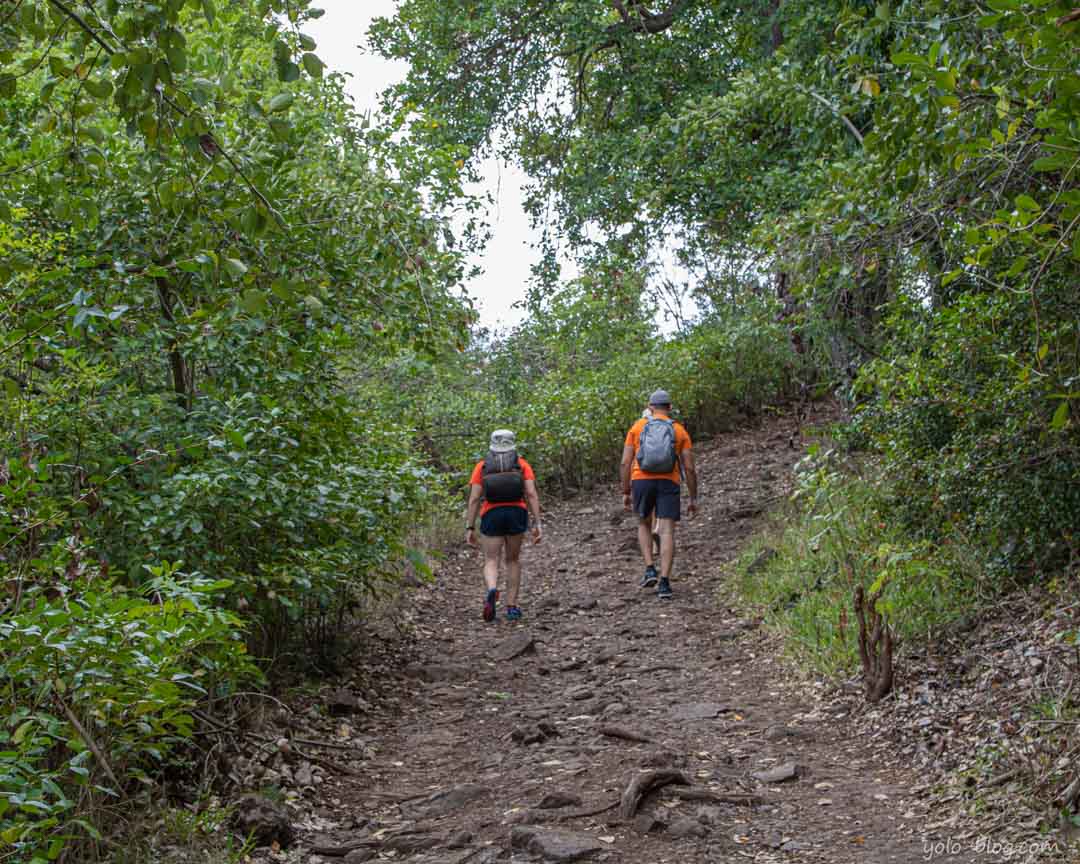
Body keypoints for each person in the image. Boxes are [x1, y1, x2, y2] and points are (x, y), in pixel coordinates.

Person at [620, 390, 698, 599]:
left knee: (643, 523)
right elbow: (689, 468)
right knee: (666, 532)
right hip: (668, 481)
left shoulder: (637, 427)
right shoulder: (679, 430)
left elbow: (625, 462)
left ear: (650, 406)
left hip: (641, 480)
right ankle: (664, 582)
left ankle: (649, 568)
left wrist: (626, 490)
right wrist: (693, 498)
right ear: (670, 407)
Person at [465, 429, 542, 622]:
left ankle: (492, 589)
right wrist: (537, 522)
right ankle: (512, 607)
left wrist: (470, 527)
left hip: (491, 514)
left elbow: (474, 498)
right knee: (512, 560)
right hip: (517, 513)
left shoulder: (482, 467)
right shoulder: (522, 465)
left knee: (491, 559)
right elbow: (531, 494)